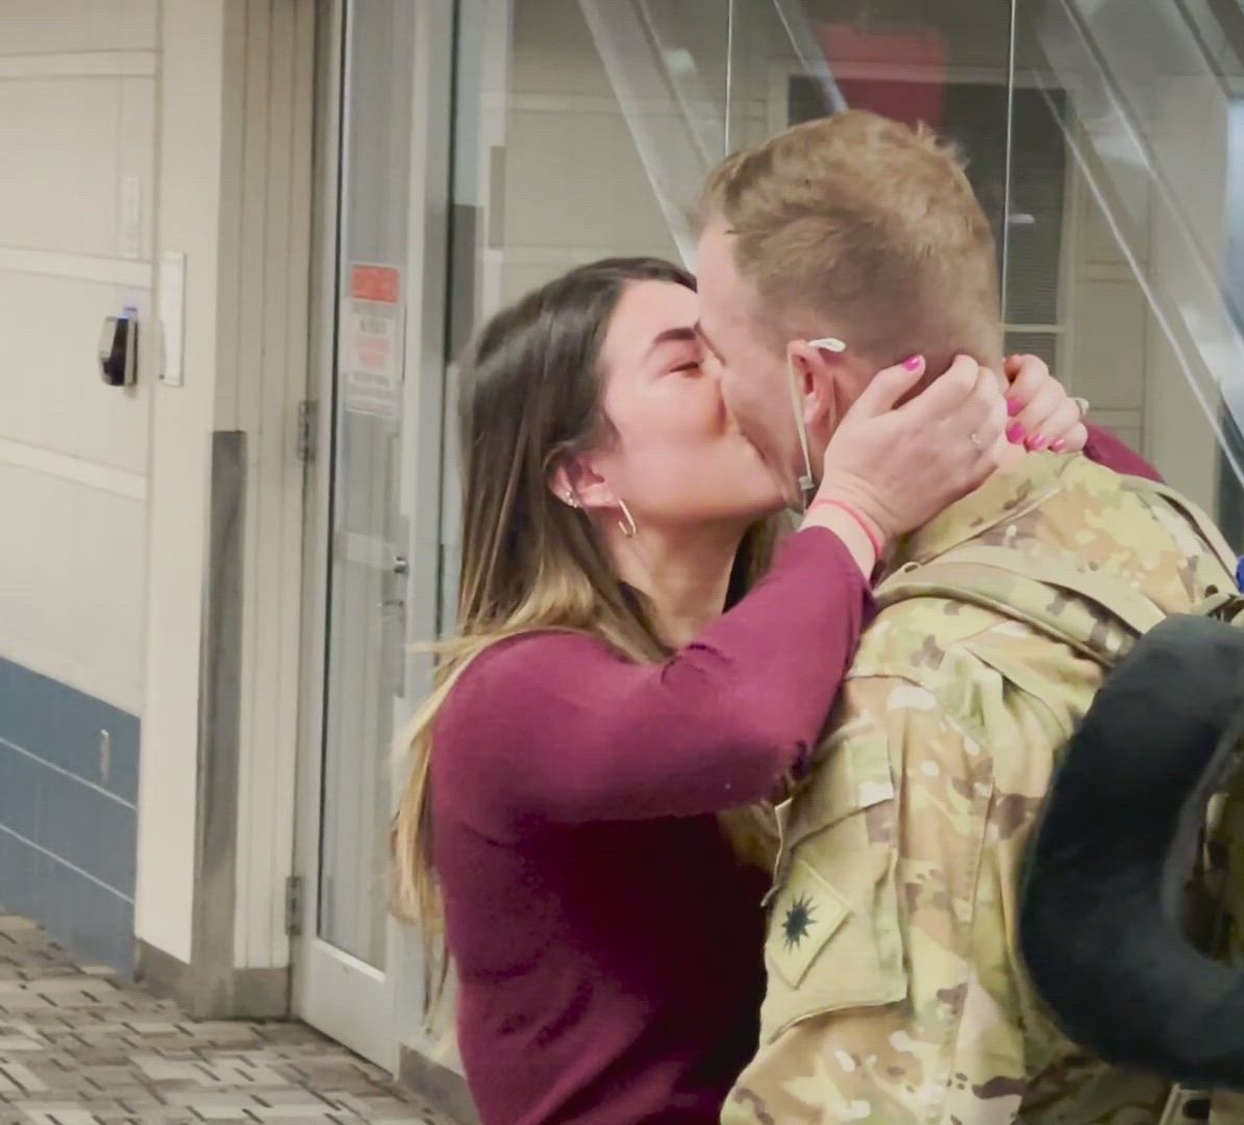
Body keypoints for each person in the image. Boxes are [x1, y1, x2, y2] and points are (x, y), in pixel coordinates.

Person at [384, 255, 1156, 1125]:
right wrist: (855, 505)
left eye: (732, 350)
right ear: (584, 476)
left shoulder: (798, 627)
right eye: (687, 364)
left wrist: (1053, 438)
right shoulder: (512, 690)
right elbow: (741, 729)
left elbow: (1150, 589)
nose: (741, 381)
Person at [695, 110, 1244, 1123]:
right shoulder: (1166, 531)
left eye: (717, 354)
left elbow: (864, 1102)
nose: (719, 396)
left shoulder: (910, 698)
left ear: (811, 382)